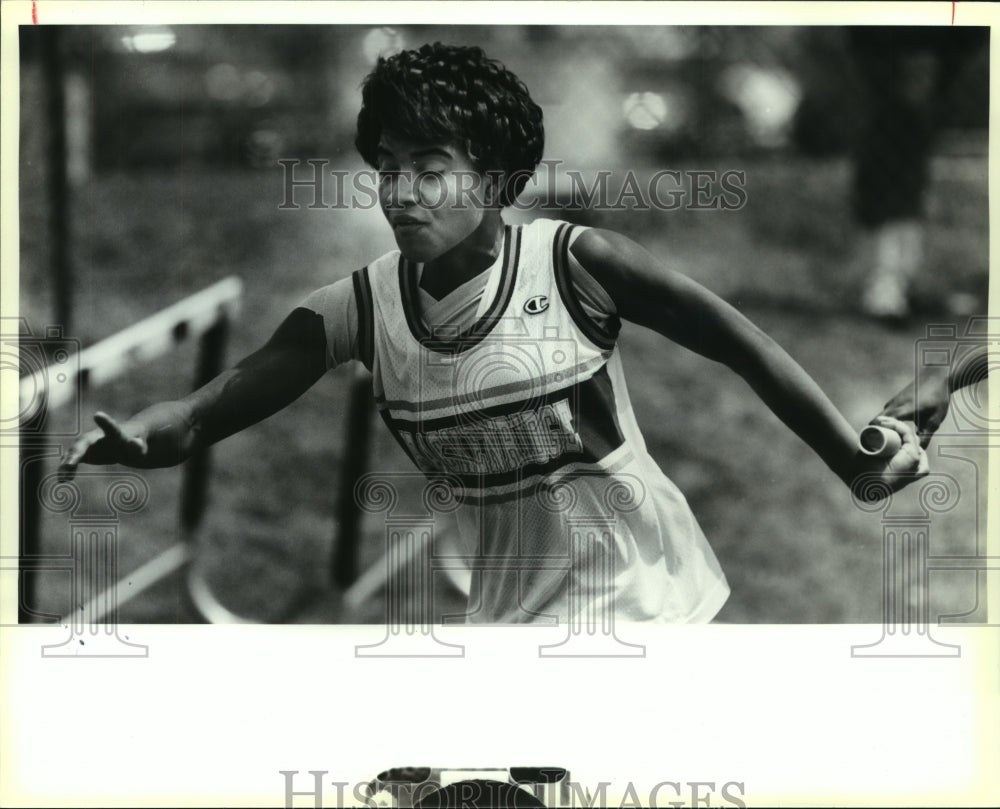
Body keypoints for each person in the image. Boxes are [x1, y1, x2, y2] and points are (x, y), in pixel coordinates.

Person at [60, 43, 929, 625]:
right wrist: (144, 434)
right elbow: (212, 406)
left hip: (641, 600)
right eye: (390, 171)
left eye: (431, 170)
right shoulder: (357, 307)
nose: (402, 193)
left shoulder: (581, 262)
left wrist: (848, 459)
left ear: (499, 176)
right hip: (507, 616)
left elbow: (744, 346)